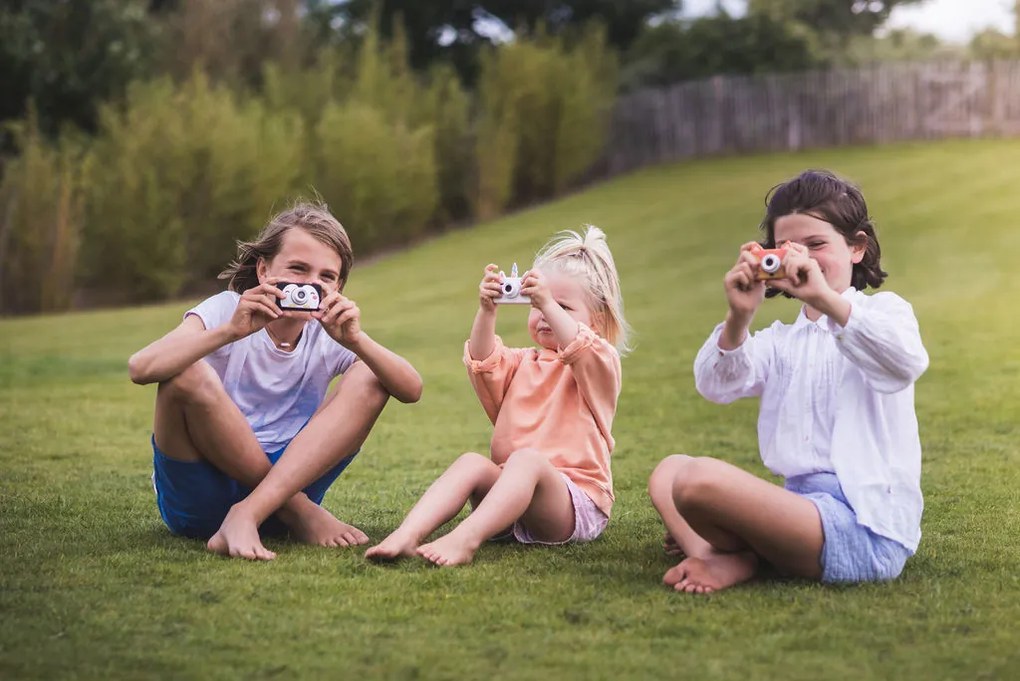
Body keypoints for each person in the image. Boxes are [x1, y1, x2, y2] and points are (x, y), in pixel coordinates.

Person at [648, 169, 928, 593]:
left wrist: (824, 299)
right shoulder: (781, 342)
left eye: (817, 245)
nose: (805, 259)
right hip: (797, 509)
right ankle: (722, 557)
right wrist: (739, 315)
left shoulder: (885, 313)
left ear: (857, 247)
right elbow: (715, 384)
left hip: (864, 525)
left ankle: (729, 554)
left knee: (697, 480)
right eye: (788, 249)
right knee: (670, 472)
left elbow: (903, 362)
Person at [128, 202, 422, 560]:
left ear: (339, 286)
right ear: (264, 270)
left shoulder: (331, 332)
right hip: (203, 499)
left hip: (289, 483)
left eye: (325, 277)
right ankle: (297, 511)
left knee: (371, 377)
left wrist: (357, 341)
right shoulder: (226, 310)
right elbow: (141, 368)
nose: (310, 284)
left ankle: (248, 513)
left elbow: (411, 389)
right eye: (298, 269)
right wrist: (229, 332)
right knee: (184, 372)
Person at [366, 226, 629, 566]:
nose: (546, 315)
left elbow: (580, 349)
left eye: (563, 307)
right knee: (472, 463)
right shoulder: (524, 362)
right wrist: (487, 310)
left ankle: (465, 539)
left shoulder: (599, 364)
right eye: (537, 306)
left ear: (596, 321)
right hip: (508, 500)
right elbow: (483, 361)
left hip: (572, 504)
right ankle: (407, 534)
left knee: (527, 459)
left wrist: (548, 301)